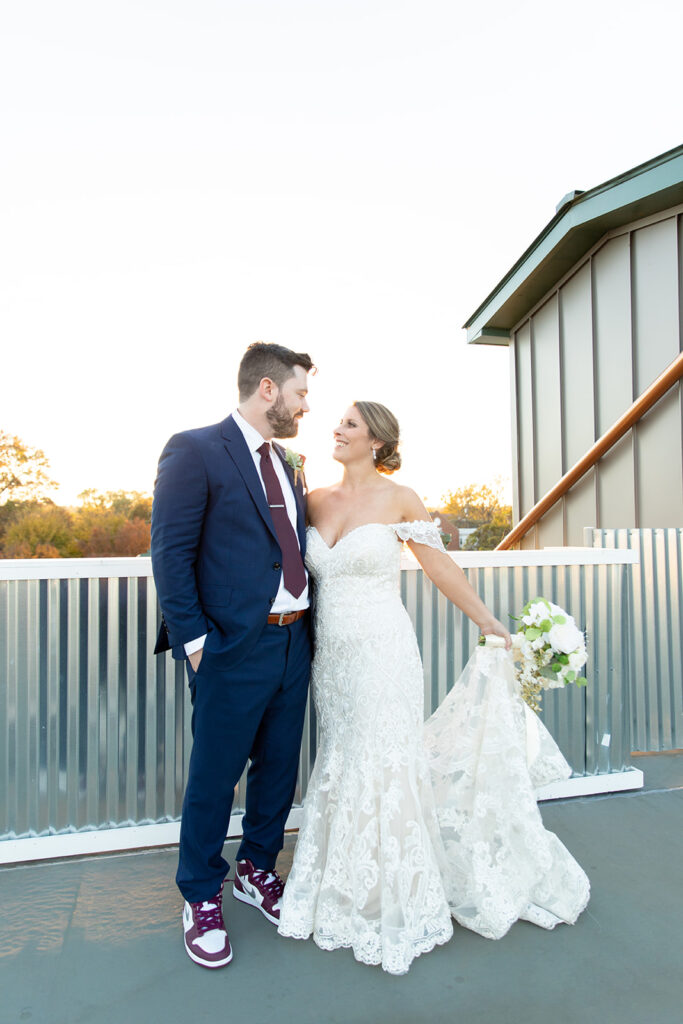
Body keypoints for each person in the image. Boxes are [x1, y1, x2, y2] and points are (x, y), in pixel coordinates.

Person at [277, 401, 590, 975]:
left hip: (385, 652)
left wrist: (487, 622)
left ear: (376, 439)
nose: (337, 430)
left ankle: (395, 891)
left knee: (385, 759)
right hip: (333, 657)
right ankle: (343, 882)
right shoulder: (313, 498)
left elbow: (439, 565)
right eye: (338, 423)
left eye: (349, 424)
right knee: (345, 755)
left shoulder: (401, 498)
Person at [151, 342, 314, 969]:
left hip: (294, 639)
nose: (306, 405)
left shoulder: (291, 462)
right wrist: (196, 644)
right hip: (227, 648)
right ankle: (200, 893)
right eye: (300, 392)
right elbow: (171, 553)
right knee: (216, 776)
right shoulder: (195, 449)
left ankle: (257, 870)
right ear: (268, 390)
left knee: (278, 767)